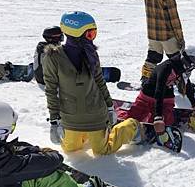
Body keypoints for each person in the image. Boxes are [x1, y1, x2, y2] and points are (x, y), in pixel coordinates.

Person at [43, 11, 141, 155]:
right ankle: (84, 134)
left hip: (95, 114)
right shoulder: (53, 57)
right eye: (89, 34)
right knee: (70, 150)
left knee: (102, 151)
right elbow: (51, 90)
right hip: (70, 116)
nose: (92, 39)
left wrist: (109, 107)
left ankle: (132, 126)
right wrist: (54, 121)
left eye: (93, 34)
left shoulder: (91, 55)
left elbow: (100, 82)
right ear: (76, 33)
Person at [117, 46, 195, 140]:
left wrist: (194, 104)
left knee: (166, 120)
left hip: (166, 98)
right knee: (134, 117)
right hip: (148, 95)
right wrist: (158, 117)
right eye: (193, 63)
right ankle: (120, 116)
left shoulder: (181, 68)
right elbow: (159, 90)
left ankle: (162, 118)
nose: (192, 67)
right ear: (185, 57)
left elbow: (187, 86)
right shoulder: (167, 67)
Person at [140, 0, 185, 85]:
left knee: (153, 58)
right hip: (167, 36)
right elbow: (174, 20)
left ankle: (145, 80)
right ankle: (180, 83)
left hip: (152, 34)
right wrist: (180, 39)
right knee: (176, 60)